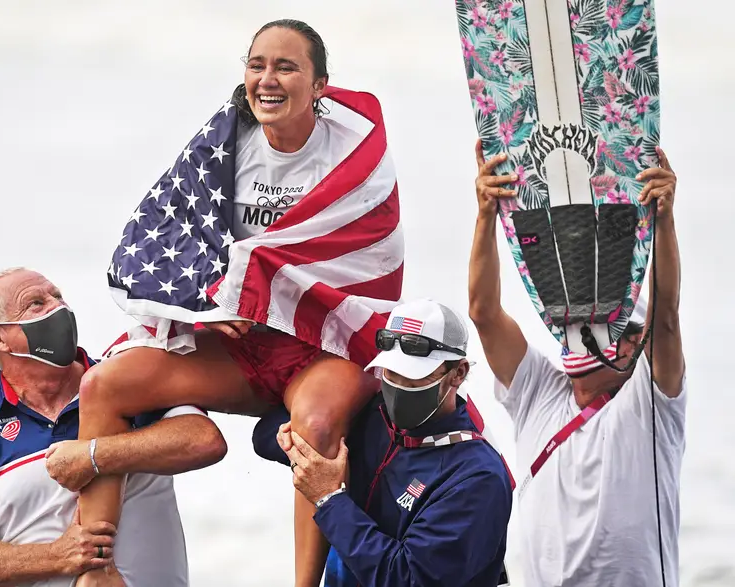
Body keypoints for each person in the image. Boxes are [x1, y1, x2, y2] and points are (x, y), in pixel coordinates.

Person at [77, 19, 403, 587]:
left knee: (314, 425)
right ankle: (93, 570)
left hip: (326, 343)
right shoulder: (227, 142)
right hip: (241, 344)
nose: (267, 79)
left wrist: (246, 288)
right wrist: (209, 302)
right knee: (104, 385)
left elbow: (370, 256)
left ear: (319, 85)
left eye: (286, 67)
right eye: (257, 65)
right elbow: (168, 234)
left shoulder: (357, 149)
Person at [468, 140, 685, 586]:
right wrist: (486, 213)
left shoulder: (650, 406)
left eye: (605, 323)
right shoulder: (538, 392)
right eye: (579, 317)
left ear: (635, 346)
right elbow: (483, 313)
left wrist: (663, 220)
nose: (584, 326)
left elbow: (664, 317)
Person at [0, 267, 227, 587]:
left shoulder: (125, 381)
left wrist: (93, 455)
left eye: (58, 296)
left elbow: (204, 440)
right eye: (36, 303)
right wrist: (57, 556)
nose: (58, 307)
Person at [253, 299, 513, 587]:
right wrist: (301, 435)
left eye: (413, 378)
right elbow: (263, 436)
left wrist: (330, 498)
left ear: (458, 373)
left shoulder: (476, 478)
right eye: (391, 373)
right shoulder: (371, 416)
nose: (399, 389)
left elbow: (407, 578)